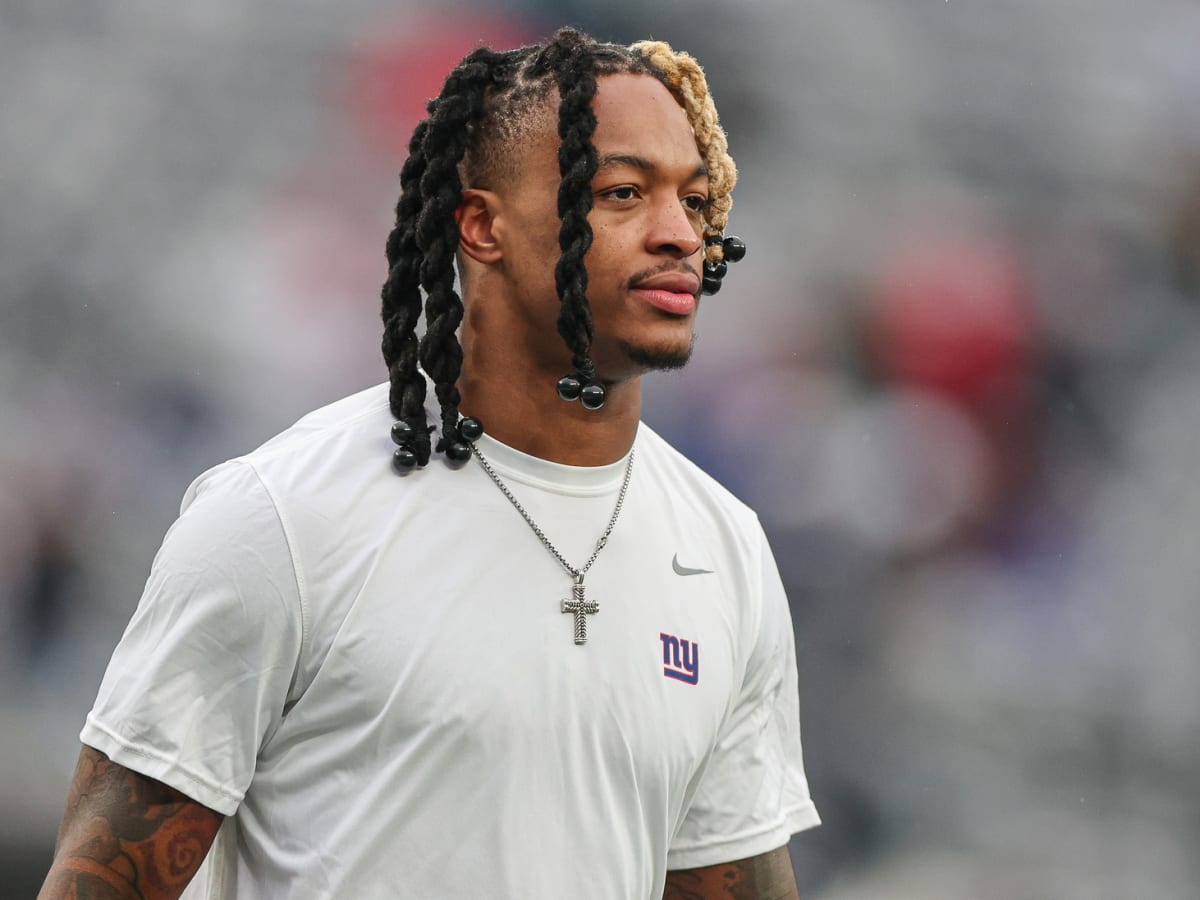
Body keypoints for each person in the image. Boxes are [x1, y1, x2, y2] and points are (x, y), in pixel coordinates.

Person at [39, 27, 820, 900]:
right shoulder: (283, 518)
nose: (680, 233)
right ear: (481, 226)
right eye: (623, 193)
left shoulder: (727, 551)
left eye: (696, 198)